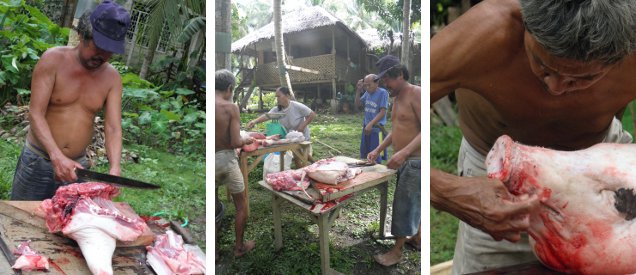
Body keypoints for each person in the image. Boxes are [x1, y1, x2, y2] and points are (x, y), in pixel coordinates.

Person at [431, 0, 636, 274]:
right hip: (498, 180)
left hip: (606, 173)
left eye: (583, 78)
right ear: (526, 24)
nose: (555, 88)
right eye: (542, 65)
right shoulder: (486, 32)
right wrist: (449, 191)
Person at [11, 0, 130, 200]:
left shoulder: (112, 78)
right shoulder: (53, 60)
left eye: (109, 50)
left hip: (78, 168)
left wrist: (114, 168)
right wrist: (56, 156)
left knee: (69, 228)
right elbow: (36, 113)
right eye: (99, 46)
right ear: (82, 35)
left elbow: (113, 128)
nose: (102, 55)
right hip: (39, 161)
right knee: (20, 223)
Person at [366, 55, 421, 266]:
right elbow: (396, 130)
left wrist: (405, 153)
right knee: (413, 203)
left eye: (387, 80)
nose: (385, 85)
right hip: (406, 161)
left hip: (416, 161)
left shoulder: (416, 94)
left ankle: (397, 252)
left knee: (405, 206)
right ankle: (416, 239)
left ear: (399, 74)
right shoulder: (397, 99)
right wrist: (378, 149)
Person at [215, 69, 256, 259]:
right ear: (230, 88)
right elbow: (235, 142)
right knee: (241, 205)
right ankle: (239, 247)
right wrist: (246, 140)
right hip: (227, 160)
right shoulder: (230, 107)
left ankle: (214, 253)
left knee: (214, 205)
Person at [246, 87, 316, 141]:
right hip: (291, 137)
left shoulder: (296, 106)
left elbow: (312, 114)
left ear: (287, 96)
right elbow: (267, 116)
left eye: (279, 96)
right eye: (276, 97)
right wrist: (254, 121)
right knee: (296, 156)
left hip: (302, 136)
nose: (277, 99)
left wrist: (302, 126)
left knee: (303, 155)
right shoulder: (277, 109)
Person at [355, 74, 389, 163]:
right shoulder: (367, 93)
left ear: (377, 83)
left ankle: (378, 174)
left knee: (376, 155)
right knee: (365, 153)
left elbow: (382, 112)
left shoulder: (383, 93)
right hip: (366, 127)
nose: (366, 87)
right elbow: (358, 104)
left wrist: (371, 124)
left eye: (369, 85)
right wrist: (358, 90)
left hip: (377, 129)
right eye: (365, 85)